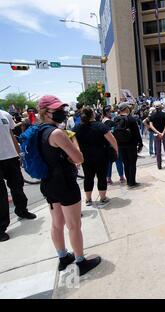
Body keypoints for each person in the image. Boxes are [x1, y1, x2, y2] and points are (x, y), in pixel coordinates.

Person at [37, 95, 101, 275]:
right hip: (64, 183)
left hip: (48, 183)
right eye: (57, 110)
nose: (62, 112)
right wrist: (72, 142)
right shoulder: (57, 133)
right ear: (45, 112)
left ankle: (63, 257)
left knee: (57, 223)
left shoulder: (39, 131)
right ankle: (81, 262)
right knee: (74, 225)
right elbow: (79, 158)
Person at [0, 109, 36, 242]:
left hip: (10, 157)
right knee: (1, 195)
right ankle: (1, 227)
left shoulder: (5, 115)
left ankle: (22, 210)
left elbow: (11, 135)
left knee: (17, 186)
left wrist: (18, 152)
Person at [73, 107, 118, 205]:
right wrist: (116, 151)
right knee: (101, 177)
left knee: (88, 177)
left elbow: (73, 143)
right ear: (93, 114)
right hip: (101, 156)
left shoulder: (76, 128)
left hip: (85, 158)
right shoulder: (100, 126)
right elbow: (112, 140)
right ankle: (103, 198)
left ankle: (88, 199)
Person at [114, 102, 143, 188]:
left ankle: (128, 181)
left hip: (120, 145)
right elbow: (137, 133)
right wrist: (140, 143)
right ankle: (132, 182)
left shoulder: (116, 119)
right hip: (131, 144)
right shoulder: (131, 119)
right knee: (132, 163)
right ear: (126, 109)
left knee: (125, 163)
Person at [102, 106, 126, 184]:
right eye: (111, 112)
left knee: (108, 162)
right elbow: (113, 133)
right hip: (113, 143)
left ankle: (108, 178)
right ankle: (121, 177)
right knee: (118, 160)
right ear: (107, 112)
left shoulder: (102, 121)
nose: (112, 113)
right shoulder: (109, 122)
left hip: (106, 145)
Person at [147, 101, 165, 169]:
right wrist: (163, 132)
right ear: (161, 107)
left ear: (154, 107)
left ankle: (159, 165)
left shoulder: (152, 116)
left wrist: (158, 133)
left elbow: (151, 126)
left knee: (158, 150)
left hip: (156, 135)